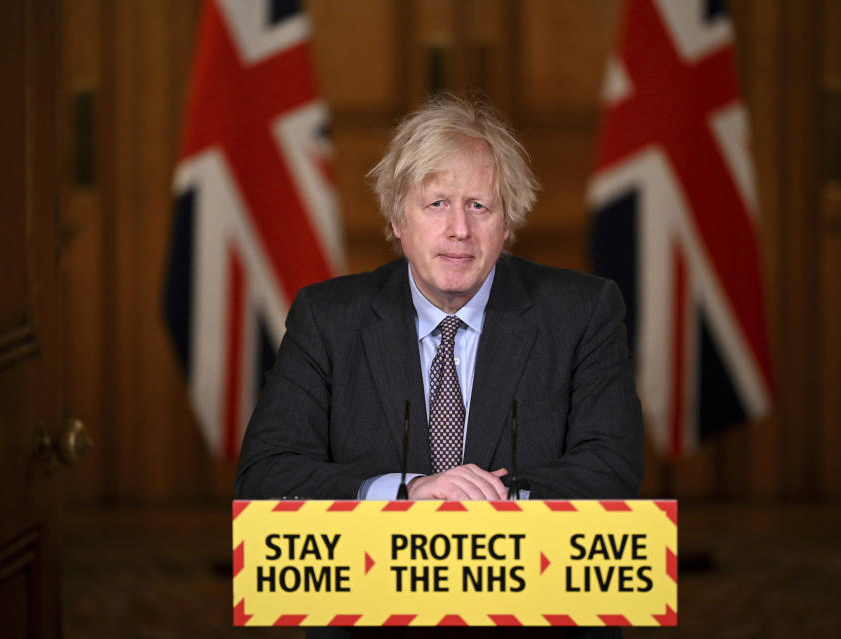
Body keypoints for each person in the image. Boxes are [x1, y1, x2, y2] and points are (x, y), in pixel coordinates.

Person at [234, 93, 643, 503]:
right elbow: (267, 471)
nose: (459, 229)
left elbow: (612, 466)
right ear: (399, 220)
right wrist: (405, 489)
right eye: (437, 204)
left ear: (506, 224)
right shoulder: (328, 320)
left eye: (479, 206)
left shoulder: (583, 314)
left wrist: (494, 496)